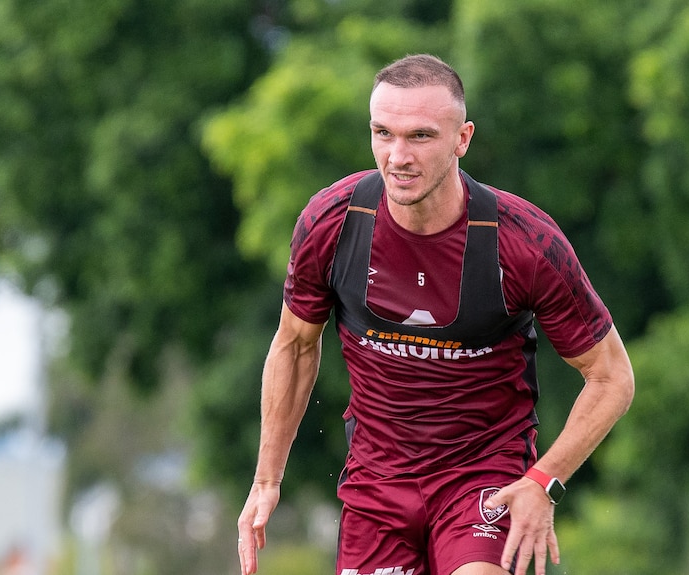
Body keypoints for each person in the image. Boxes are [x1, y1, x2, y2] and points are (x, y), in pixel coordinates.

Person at [237, 54, 634, 575]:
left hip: (482, 478)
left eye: (420, 136)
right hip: (376, 485)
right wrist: (267, 479)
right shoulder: (332, 223)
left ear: (462, 138)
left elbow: (611, 376)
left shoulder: (525, 244)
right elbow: (294, 344)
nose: (397, 156)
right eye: (383, 133)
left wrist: (544, 481)